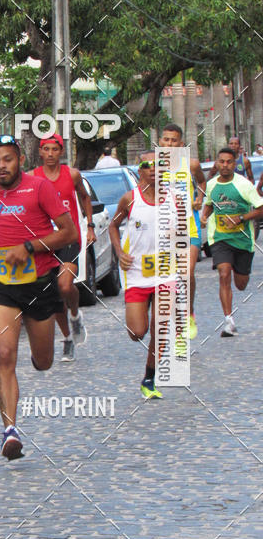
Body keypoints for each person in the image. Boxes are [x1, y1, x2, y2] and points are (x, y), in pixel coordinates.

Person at [0, 134, 77, 459]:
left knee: (44, 362)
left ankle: (45, 349)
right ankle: (9, 432)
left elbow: (68, 232)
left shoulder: (40, 188)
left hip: (39, 283)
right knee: (4, 354)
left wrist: (28, 247)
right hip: (1, 285)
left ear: (21, 160)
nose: (1, 166)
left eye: (8, 160)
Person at [109, 151, 175, 399]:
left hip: (166, 273)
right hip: (136, 273)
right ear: (140, 171)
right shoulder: (130, 199)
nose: (154, 169)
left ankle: (149, 377)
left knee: (160, 325)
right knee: (137, 333)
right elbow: (113, 226)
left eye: (159, 165)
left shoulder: (175, 200)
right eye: (148, 165)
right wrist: (119, 252)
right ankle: (138, 313)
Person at [28, 133, 94, 361]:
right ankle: (67, 339)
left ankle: (75, 315)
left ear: (61, 151)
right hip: (45, 242)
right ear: (40, 152)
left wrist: (90, 225)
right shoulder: (32, 177)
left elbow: (85, 197)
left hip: (68, 237)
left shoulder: (72, 174)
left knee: (65, 286)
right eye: (46, 149)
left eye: (54, 149)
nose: (50, 154)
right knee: (54, 294)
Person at [200, 146, 263, 337]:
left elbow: (260, 208)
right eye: (222, 161)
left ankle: (238, 267)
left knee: (241, 284)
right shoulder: (211, 185)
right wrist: (204, 216)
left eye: (229, 162)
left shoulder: (244, 185)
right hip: (220, 238)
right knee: (223, 273)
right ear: (217, 163)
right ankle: (229, 321)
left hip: (243, 240)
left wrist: (241, 218)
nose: (225, 165)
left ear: (235, 164)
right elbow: (210, 205)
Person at [158, 123, 206, 339]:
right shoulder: (153, 166)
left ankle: (189, 312)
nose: (169, 144)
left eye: (174, 140)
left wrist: (199, 198)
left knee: (187, 272)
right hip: (164, 229)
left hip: (189, 226)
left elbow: (202, 182)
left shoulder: (191, 164)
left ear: (181, 143)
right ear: (160, 141)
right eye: (166, 139)